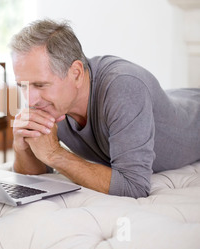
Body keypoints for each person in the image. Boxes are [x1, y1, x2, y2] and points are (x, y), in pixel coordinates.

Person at [10, 18, 200, 198]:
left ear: (76, 73)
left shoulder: (124, 86)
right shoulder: (46, 99)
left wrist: (56, 154)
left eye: (40, 85)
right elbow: (36, 175)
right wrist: (22, 147)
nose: (30, 99)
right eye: (22, 86)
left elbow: (134, 187)